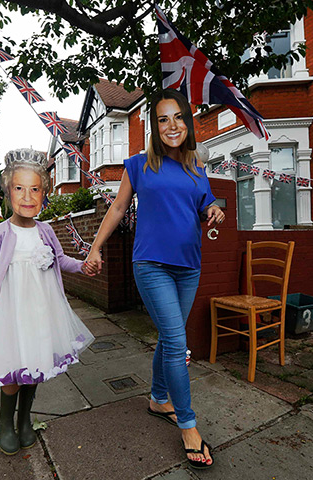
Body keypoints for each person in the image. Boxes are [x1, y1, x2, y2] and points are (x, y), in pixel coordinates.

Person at [85, 89, 224, 470]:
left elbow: (204, 203)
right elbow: (117, 208)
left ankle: (159, 398)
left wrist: (214, 210)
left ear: (188, 122)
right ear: (155, 126)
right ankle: (190, 426)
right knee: (177, 341)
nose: (171, 125)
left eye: (178, 117)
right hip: (151, 265)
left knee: (169, 335)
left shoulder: (197, 167)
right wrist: (95, 248)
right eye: (163, 119)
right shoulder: (139, 165)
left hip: (189, 266)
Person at [0, 148, 96, 456]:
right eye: (19, 188)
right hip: (10, 313)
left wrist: (83, 265)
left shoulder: (46, 230)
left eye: (34, 189)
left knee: (34, 366)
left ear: (44, 193)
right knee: (13, 370)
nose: (27, 196)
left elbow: (59, 260)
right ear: (8, 193)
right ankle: (5, 422)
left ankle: (25, 421)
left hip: (40, 311)